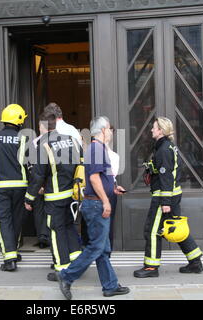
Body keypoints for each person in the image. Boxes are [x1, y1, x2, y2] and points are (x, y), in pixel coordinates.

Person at [56, 116, 130, 300]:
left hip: (96, 202)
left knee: (102, 249)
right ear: (103, 130)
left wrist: (113, 188)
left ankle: (110, 286)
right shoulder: (97, 149)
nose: (112, 132)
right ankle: (66, 276)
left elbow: (102, 179)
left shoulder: (98, 149)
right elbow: (94, 179)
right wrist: (106, 201)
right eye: (110, 129)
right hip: (97, 204)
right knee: (96, 247)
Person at [133, 117, 203, 278]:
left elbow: (166, 177)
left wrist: (165, 202)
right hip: (173, 195)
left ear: (161, 131)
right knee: (176, 228)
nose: (151, 130)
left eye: (154, 127)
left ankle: (151, 268)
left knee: (151, 231)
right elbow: (171, 171)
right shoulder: (168, 147)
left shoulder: (164, 149)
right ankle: (195, 261)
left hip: (164, 197)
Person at [24, 111, 82, 282]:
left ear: (42, 127)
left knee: (56, 232)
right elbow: (80, 163)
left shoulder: (43, 145)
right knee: (69, 226)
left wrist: (29, 198)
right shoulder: (71, 140)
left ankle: (61, 269)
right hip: (72, 194)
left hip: (55, 197)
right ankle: (76, 263)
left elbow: (38, 176)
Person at [0, 104, 29, 272]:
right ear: (19, 121)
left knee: (4, 220)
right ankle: (12, 252)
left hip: (1, 185)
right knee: (16, 219)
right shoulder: (24, 139)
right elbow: (29, 164)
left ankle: (9, 257)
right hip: (20, 186)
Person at [29, 121, 50, 249]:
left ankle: (43, 237)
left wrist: (38, 185)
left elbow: (31, 166)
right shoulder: (57, 140)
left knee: (39, 210)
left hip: (40, 182)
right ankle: (45, 237)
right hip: (50, 183)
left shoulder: (35, 143)